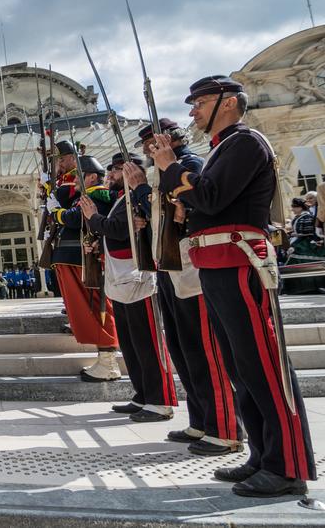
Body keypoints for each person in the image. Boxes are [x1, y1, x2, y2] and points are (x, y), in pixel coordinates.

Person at [153, 75, 315, 496]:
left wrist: (171, 168)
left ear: (227, 103)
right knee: (242, 368)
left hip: (240, 263)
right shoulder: (223, 148)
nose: (193, 112)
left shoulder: (246, 142)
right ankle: (262, 455)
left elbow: (210, 197)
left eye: (200, 102)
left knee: (263, 366)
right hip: (218, 264)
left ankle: (286, 465)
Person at [124, 118, 242, 456]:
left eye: (153, 143)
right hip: (170, 265)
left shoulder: (188, 165)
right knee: (183, 347)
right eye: (147, 146)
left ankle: (225, 427)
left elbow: (188, 207)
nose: (149, 151)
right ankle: (202, 419)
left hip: (191, 264)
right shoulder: (165, 171)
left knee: (205, 349)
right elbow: (162, 214)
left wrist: (144, 191)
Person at [81, 153, 178, 422]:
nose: (109, 175)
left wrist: (93, 218)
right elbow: (119, 235)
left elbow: (120, 229)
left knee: (147, 344)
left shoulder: (135, 198)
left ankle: (160, 401)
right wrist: (99, 244)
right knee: (132, 345)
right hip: (122, 282)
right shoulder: (121, 199)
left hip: (139, 282)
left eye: (115, 170)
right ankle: (143, 394)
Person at [48, 142, 121, 381]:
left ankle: (108, 362)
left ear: (91, 177)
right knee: (87, 309)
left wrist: (56, 212)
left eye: (79, 178)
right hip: (74, 257)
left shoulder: (96, 195)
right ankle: (104, 359)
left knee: (96, 307)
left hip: (82, 258)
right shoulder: (88, 195)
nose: (75, 182)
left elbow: (75, 219)